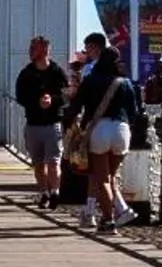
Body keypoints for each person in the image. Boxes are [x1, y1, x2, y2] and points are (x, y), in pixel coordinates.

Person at [67, 32, 138, 230]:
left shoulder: (91, 80)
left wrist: (73, 124)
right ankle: (121, 210)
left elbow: (76, 105)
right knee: (111, 176)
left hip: (100, 129)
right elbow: (134, 111)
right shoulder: (125, 83)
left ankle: (108, 220)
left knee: (102, 179)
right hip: (122, 130)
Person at [14, 34, 71, 211]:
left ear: (45, 50)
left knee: (54, 161)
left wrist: (52, 100)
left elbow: (66, 96)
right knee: (38, 163)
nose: (30, 51)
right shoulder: (26, 73)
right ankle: (43, 191)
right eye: (30, 48)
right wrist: (36, 101)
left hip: (52, 124)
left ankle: (55, 192)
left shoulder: (57, 72)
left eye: (34, 48)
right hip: (33, 123)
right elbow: (20, 96)